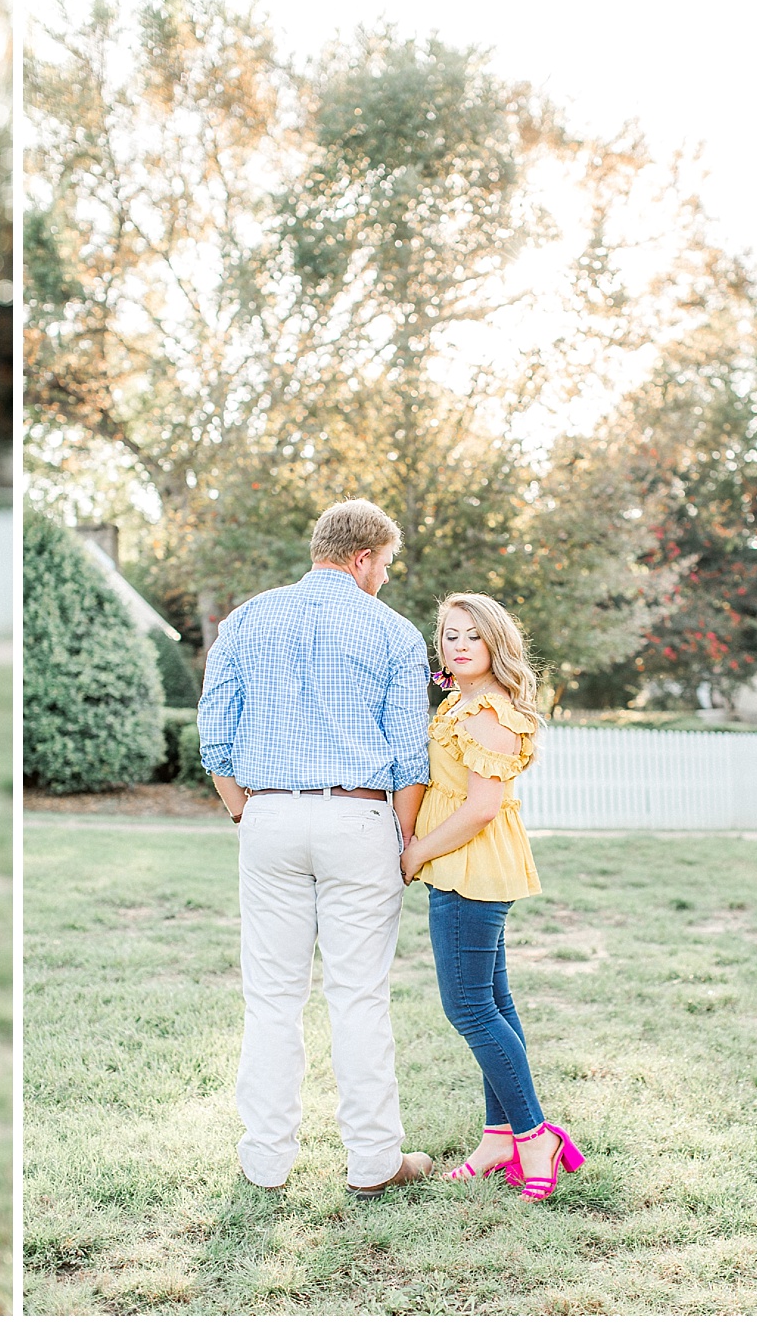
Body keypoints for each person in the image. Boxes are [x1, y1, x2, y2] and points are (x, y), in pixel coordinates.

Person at [196, 497, 435, 1200]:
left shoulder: (245, 620)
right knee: (358, 996)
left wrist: (243, 808)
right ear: (362, 558)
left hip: (269, 816)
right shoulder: (393, 633)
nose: (385, 578)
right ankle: (373, 1161)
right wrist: (404, 838)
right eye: (385, 565)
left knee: (270, 998)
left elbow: (215, 730)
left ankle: (264, 1162)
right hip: (359, 818)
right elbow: (409, 760)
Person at [397, 592, 585, 1200]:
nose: (457, 644)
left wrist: (417, 851)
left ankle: (536, 1136)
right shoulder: (467, 702)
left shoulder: (487, 712)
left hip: (467, 868)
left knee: (470, 1010)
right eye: (449, 634)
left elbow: (480, 808)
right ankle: (500, 1135)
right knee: (493, 1003)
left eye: (471, 636)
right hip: (468, 863)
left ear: (495, 643)